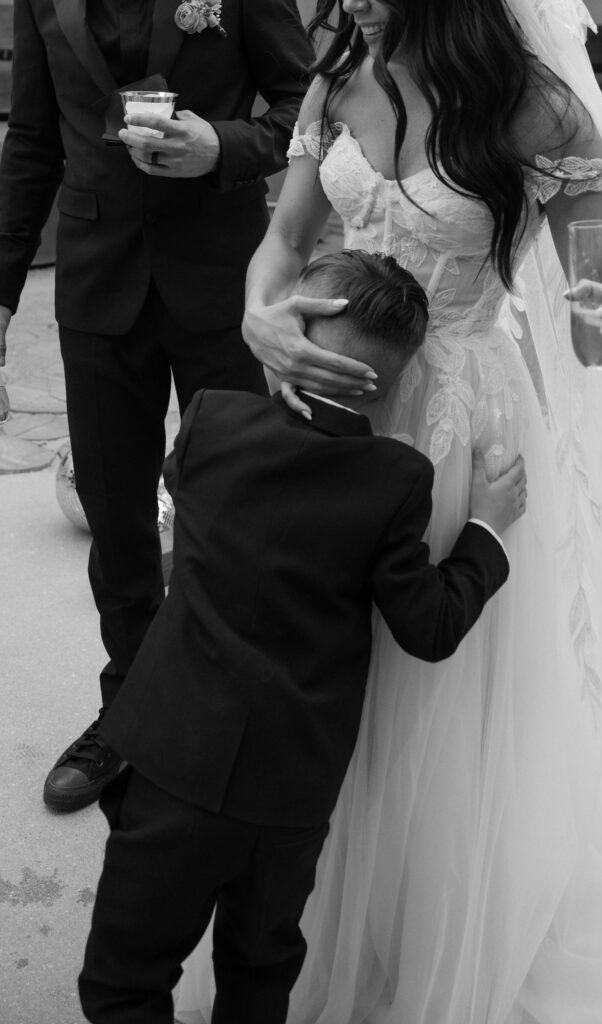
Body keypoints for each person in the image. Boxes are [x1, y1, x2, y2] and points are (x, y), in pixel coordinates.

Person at [174, 0, 602, 1022]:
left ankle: (418, 926)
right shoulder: (337, 80)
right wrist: (259, 318)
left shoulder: (533, 110)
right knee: (314, 665)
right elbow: (280, 245)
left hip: (454, 432)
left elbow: (596, 330)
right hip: (320, 414)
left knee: (419, 683)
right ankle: (290, 912)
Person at [78, 249, 526, 1024]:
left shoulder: (214, 418)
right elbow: (428, 627)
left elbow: (180, 496)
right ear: (386, 381)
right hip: (289, 794)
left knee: (123, 979)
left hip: (168, 763)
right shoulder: (396, 479)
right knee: (259, 973)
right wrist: (486, 526)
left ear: (297, 332)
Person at [0, 0, 313, 811]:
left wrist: (223, 145)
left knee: (234, 518)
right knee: (116, 519)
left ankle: (229, 719)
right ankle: (127, 719)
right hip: (98, 285)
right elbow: (32, 139)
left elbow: (306, 111)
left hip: (221, 285)